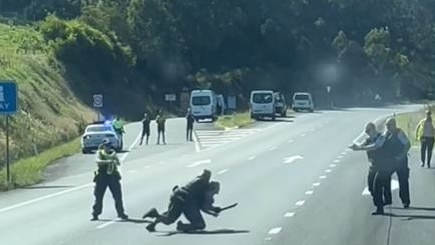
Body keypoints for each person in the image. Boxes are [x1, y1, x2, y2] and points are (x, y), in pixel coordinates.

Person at [142, 170, 223, 232]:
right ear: (211, 188)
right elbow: (203, 207)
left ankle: (152, 224)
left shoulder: (198, 182)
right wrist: (214, 210)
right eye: (215, 191)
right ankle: (181, 226)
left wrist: (212, 211)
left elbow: (202, 206)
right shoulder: (205, 192)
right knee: (200, 225)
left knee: (169, 216)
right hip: (185, 201)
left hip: (177, 195)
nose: (216, 193)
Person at [350, 122, 393, 215]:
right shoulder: (368, 140)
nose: (367, 133)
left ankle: (380, 207)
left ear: (373, 129)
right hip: (373, 166)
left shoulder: (381, 137)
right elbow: (360, 145)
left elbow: (376, 146)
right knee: (371, 188)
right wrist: (355, 146)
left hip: (383, 166)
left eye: (368, 130)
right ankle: (379, 203)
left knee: (377, 186)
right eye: (366, 131)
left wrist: (360, 149)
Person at [91, 138, 128, 221]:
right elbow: (97, 161)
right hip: (102, 177)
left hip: (113, 176)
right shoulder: (100, 153)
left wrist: (114, 161)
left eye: (109, 145)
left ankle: (121, 213)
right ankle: (95, 213)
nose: (108, 147)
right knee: (98, 197)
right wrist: (108, 161)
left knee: (118, 196)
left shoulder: (113, 153)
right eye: (106, 145)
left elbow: (118, 162)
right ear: (103, 146)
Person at [384, 118, 411, 208]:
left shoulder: (399, 133)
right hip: (390, 161)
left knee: (403, 181)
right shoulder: (387, 134)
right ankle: (387, 199)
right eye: (386, 125)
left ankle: (405, 201)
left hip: (401, 161)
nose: (387, 127)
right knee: (385, 177)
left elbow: (408, 144)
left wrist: (402, 155)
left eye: (389, 125)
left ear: (394, 125)